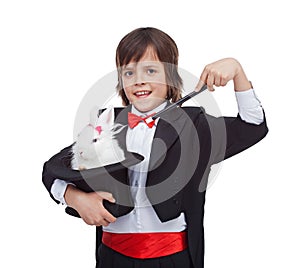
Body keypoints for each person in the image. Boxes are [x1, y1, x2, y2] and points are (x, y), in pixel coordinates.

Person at [42, 27, 268, 268]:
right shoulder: (105, 124)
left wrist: (237, 70)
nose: (138, 80)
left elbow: (253, 126)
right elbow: (53, 170)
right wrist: (75, 198)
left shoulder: (195, 126)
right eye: (128, 72)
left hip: (172, 259)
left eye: (150, 70)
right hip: (111, 257)